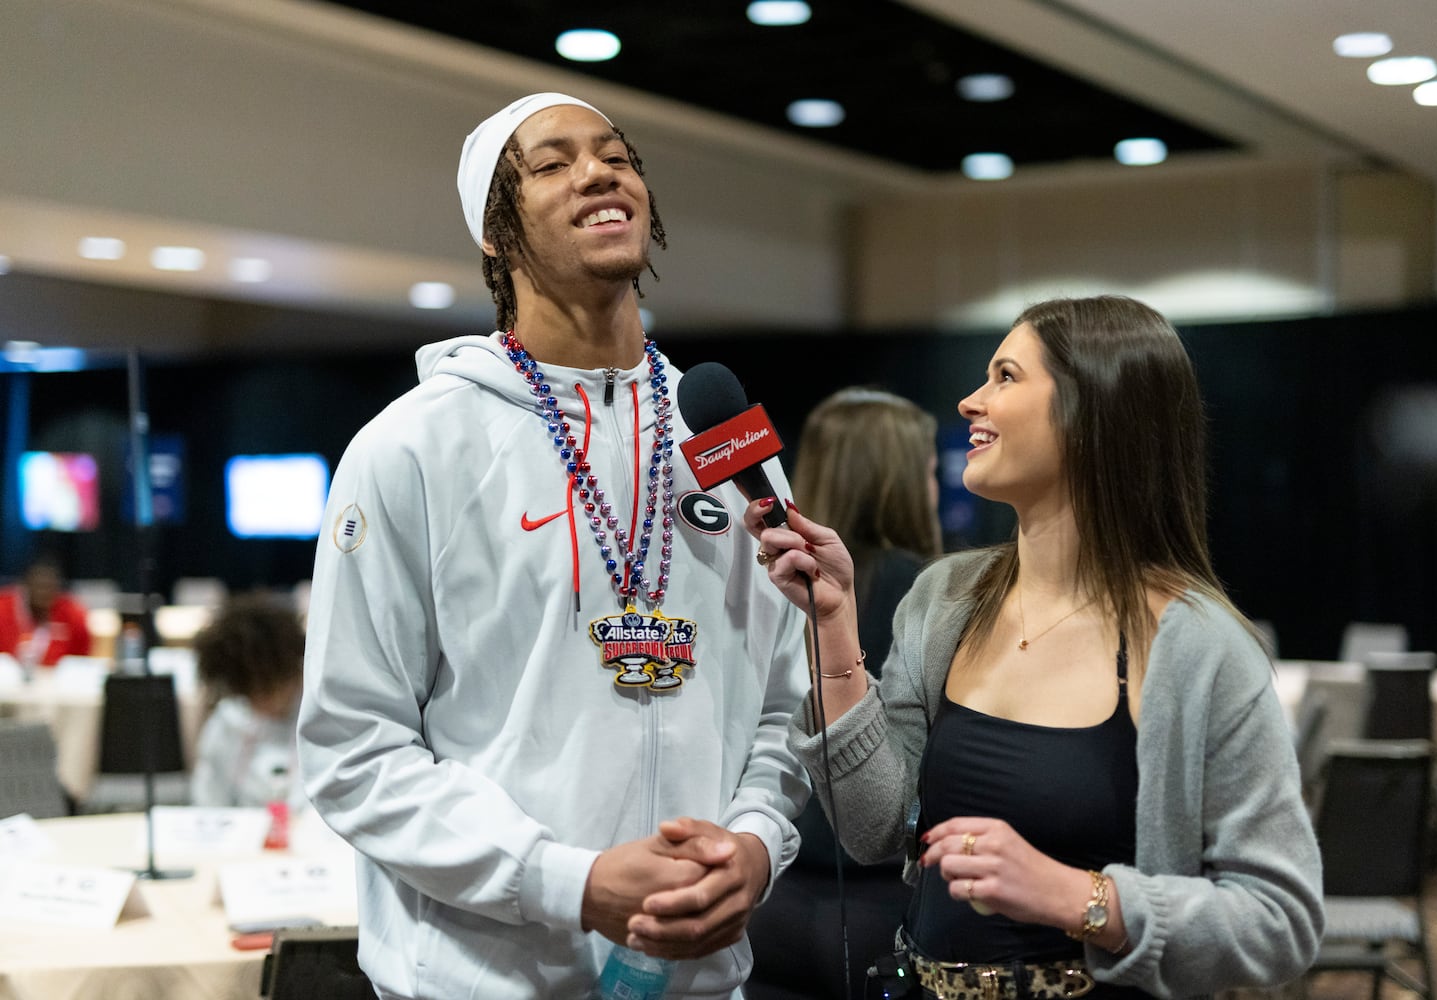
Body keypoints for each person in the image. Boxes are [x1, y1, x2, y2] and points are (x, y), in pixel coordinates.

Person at [297, 91, 811, 1000]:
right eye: (551, 162)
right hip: (478, 980)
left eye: (617, 154)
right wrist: (563, 882)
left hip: (695, 980)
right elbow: (353, 749)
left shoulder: (722, 438)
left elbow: (784, 699)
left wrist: (758, 845)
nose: (599, 172)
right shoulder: (413, 447)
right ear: (493, 232)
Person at [746, 295, 1324, 999]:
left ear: (1092, 411)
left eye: (1005, 377)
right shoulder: (945, 597)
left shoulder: (1201, 647)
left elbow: (1279, 923)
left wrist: (1077, 897)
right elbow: (871, 830)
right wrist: (831, 625)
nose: (969, 401)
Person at [746, 388, 942, 1000]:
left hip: (769, 897)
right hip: (887, 912)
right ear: (904, 479)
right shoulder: (936, 595)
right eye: (932, 471)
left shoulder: (764, 584)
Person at [190, 592, 306, 810]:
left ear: (293, 670)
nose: (260, 702)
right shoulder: (226, 724)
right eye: (250, 694)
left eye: (267, 688)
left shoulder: (326, 717)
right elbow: (208, 804)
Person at [0, 553, 93, 669]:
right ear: (25, 584)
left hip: (55, 683)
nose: (42, 592)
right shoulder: (3, 608)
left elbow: (80, 663)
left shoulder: (74, 615)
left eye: (48, 587)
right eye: (38, 586)